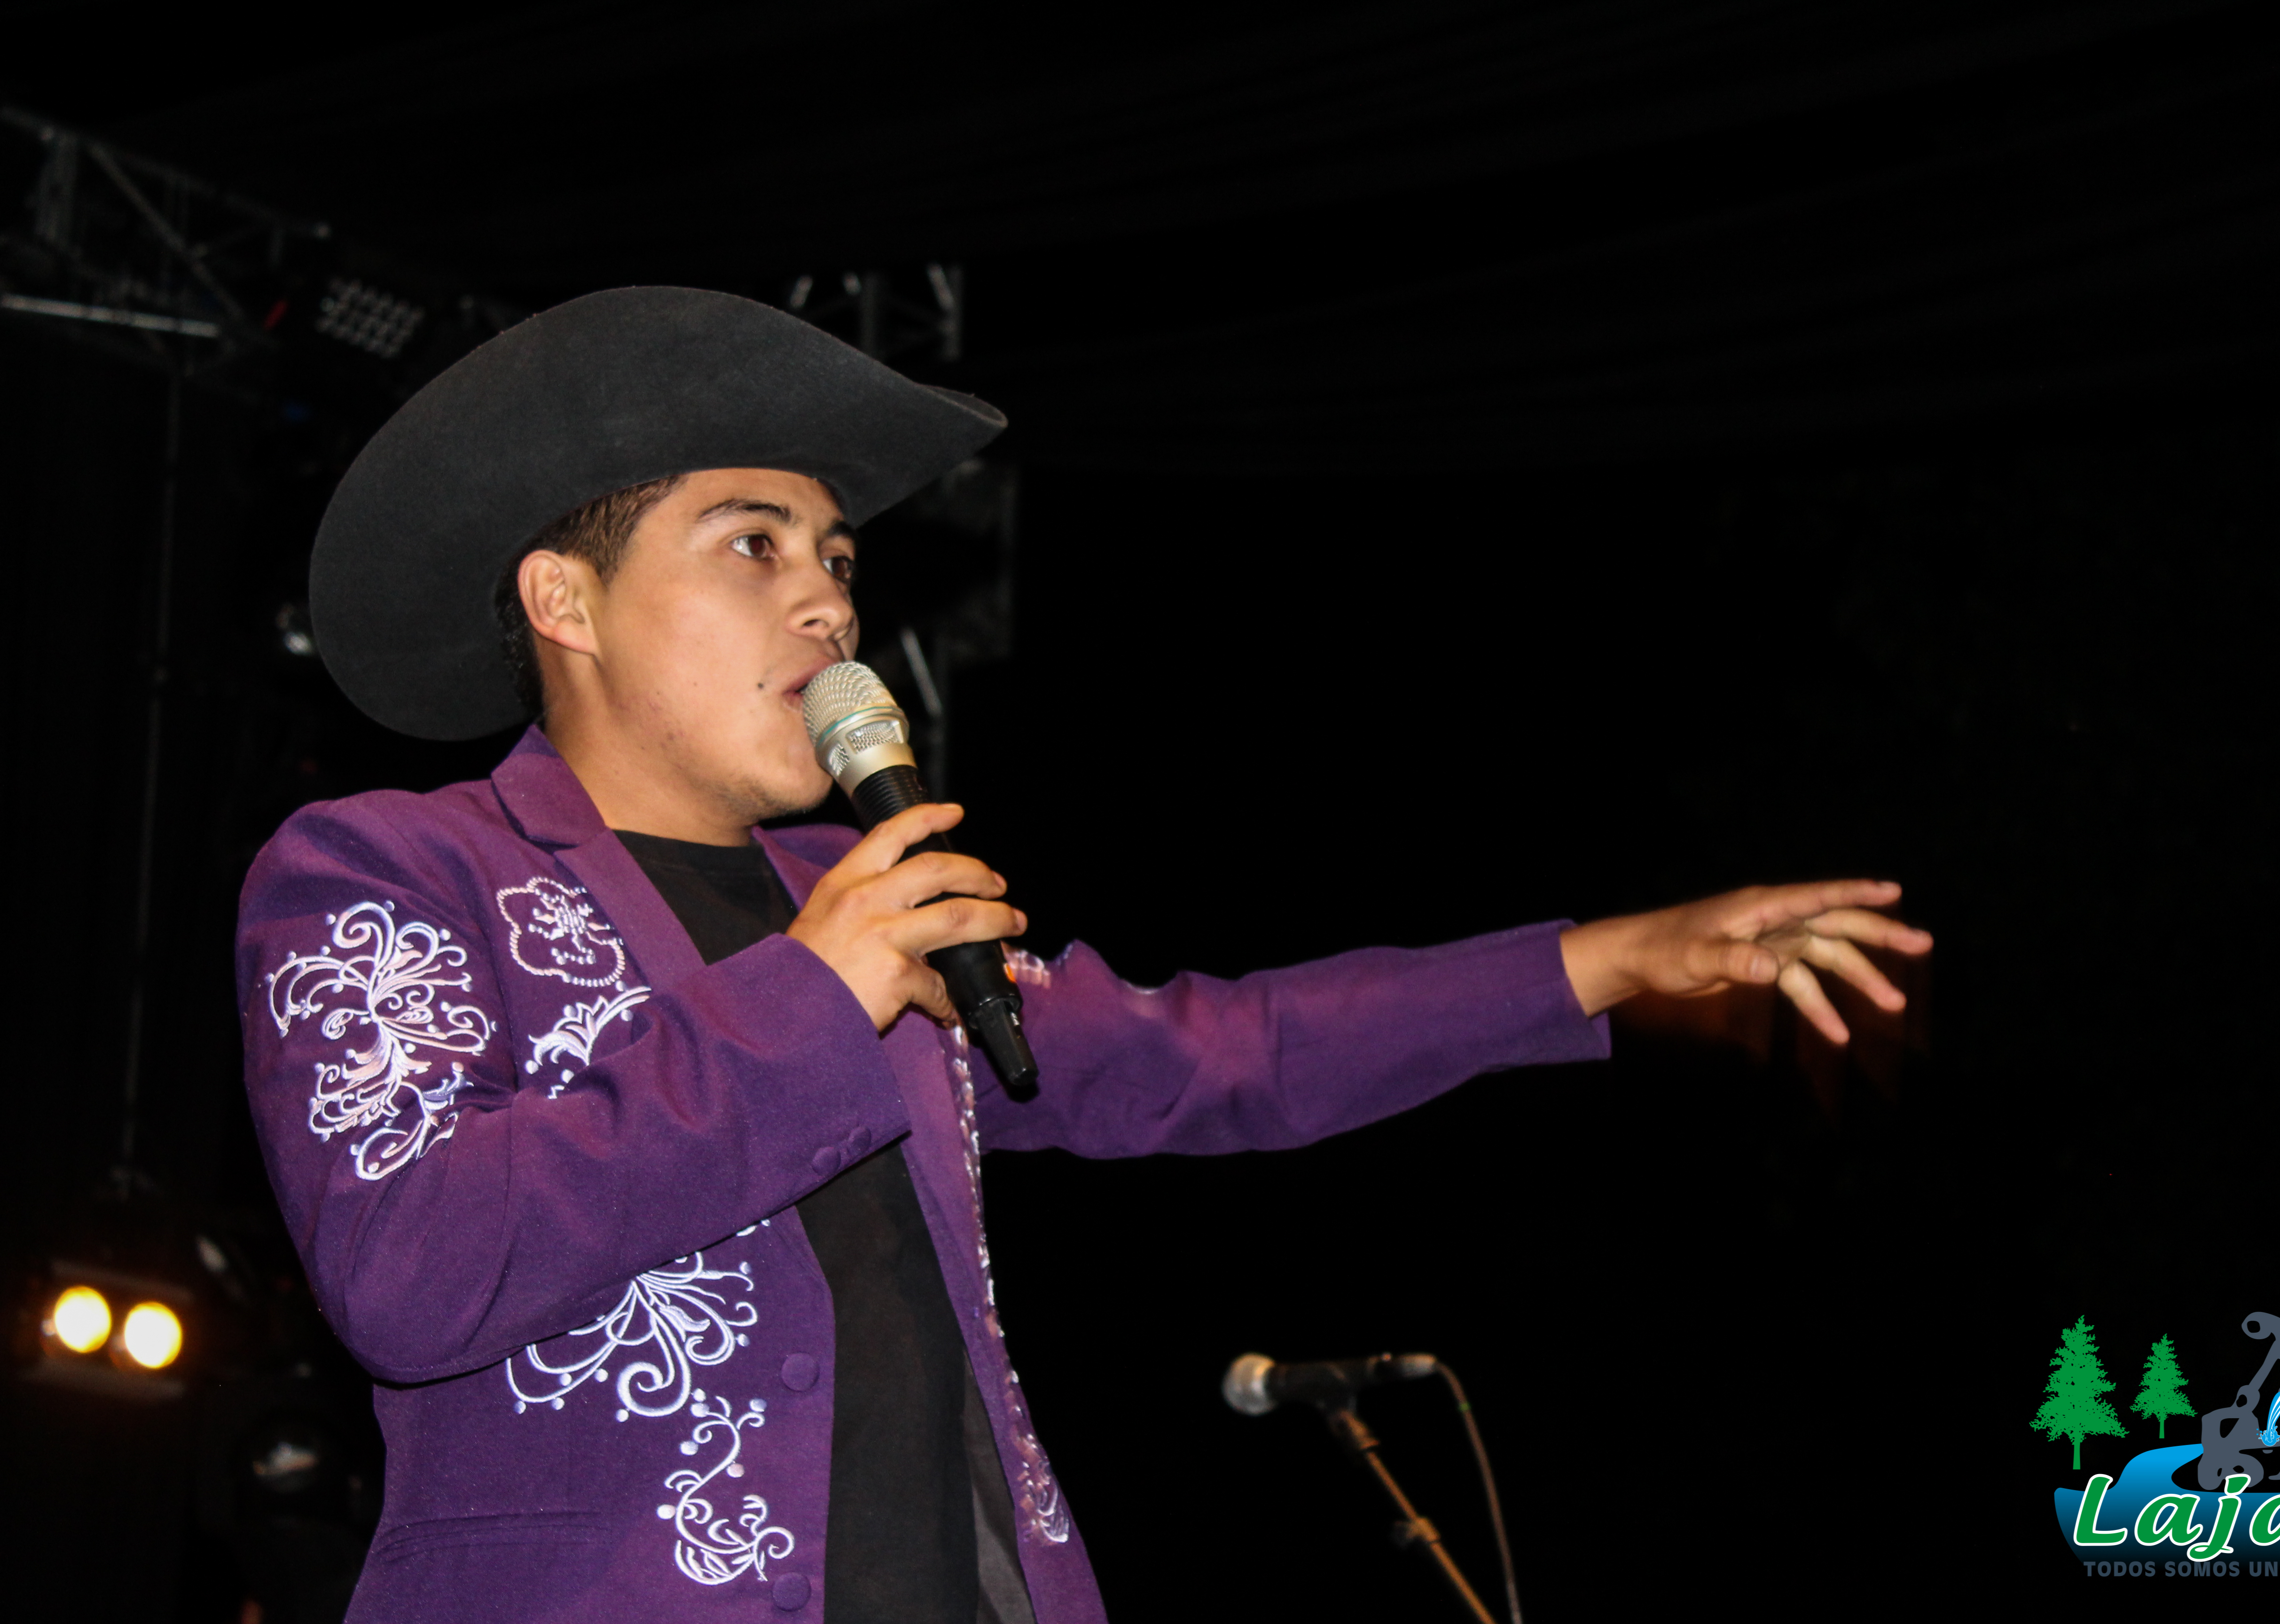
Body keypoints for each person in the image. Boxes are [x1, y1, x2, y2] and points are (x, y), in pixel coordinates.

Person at [238, 287, 1930, 1624]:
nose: (830, 604)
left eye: (839, 558)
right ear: (566, 599)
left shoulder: (880, 902)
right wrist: (813, 995)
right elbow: (410, 1267)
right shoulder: (396, 869)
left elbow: (1222, 1054)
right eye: (756, 544)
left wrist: (1602, 960)